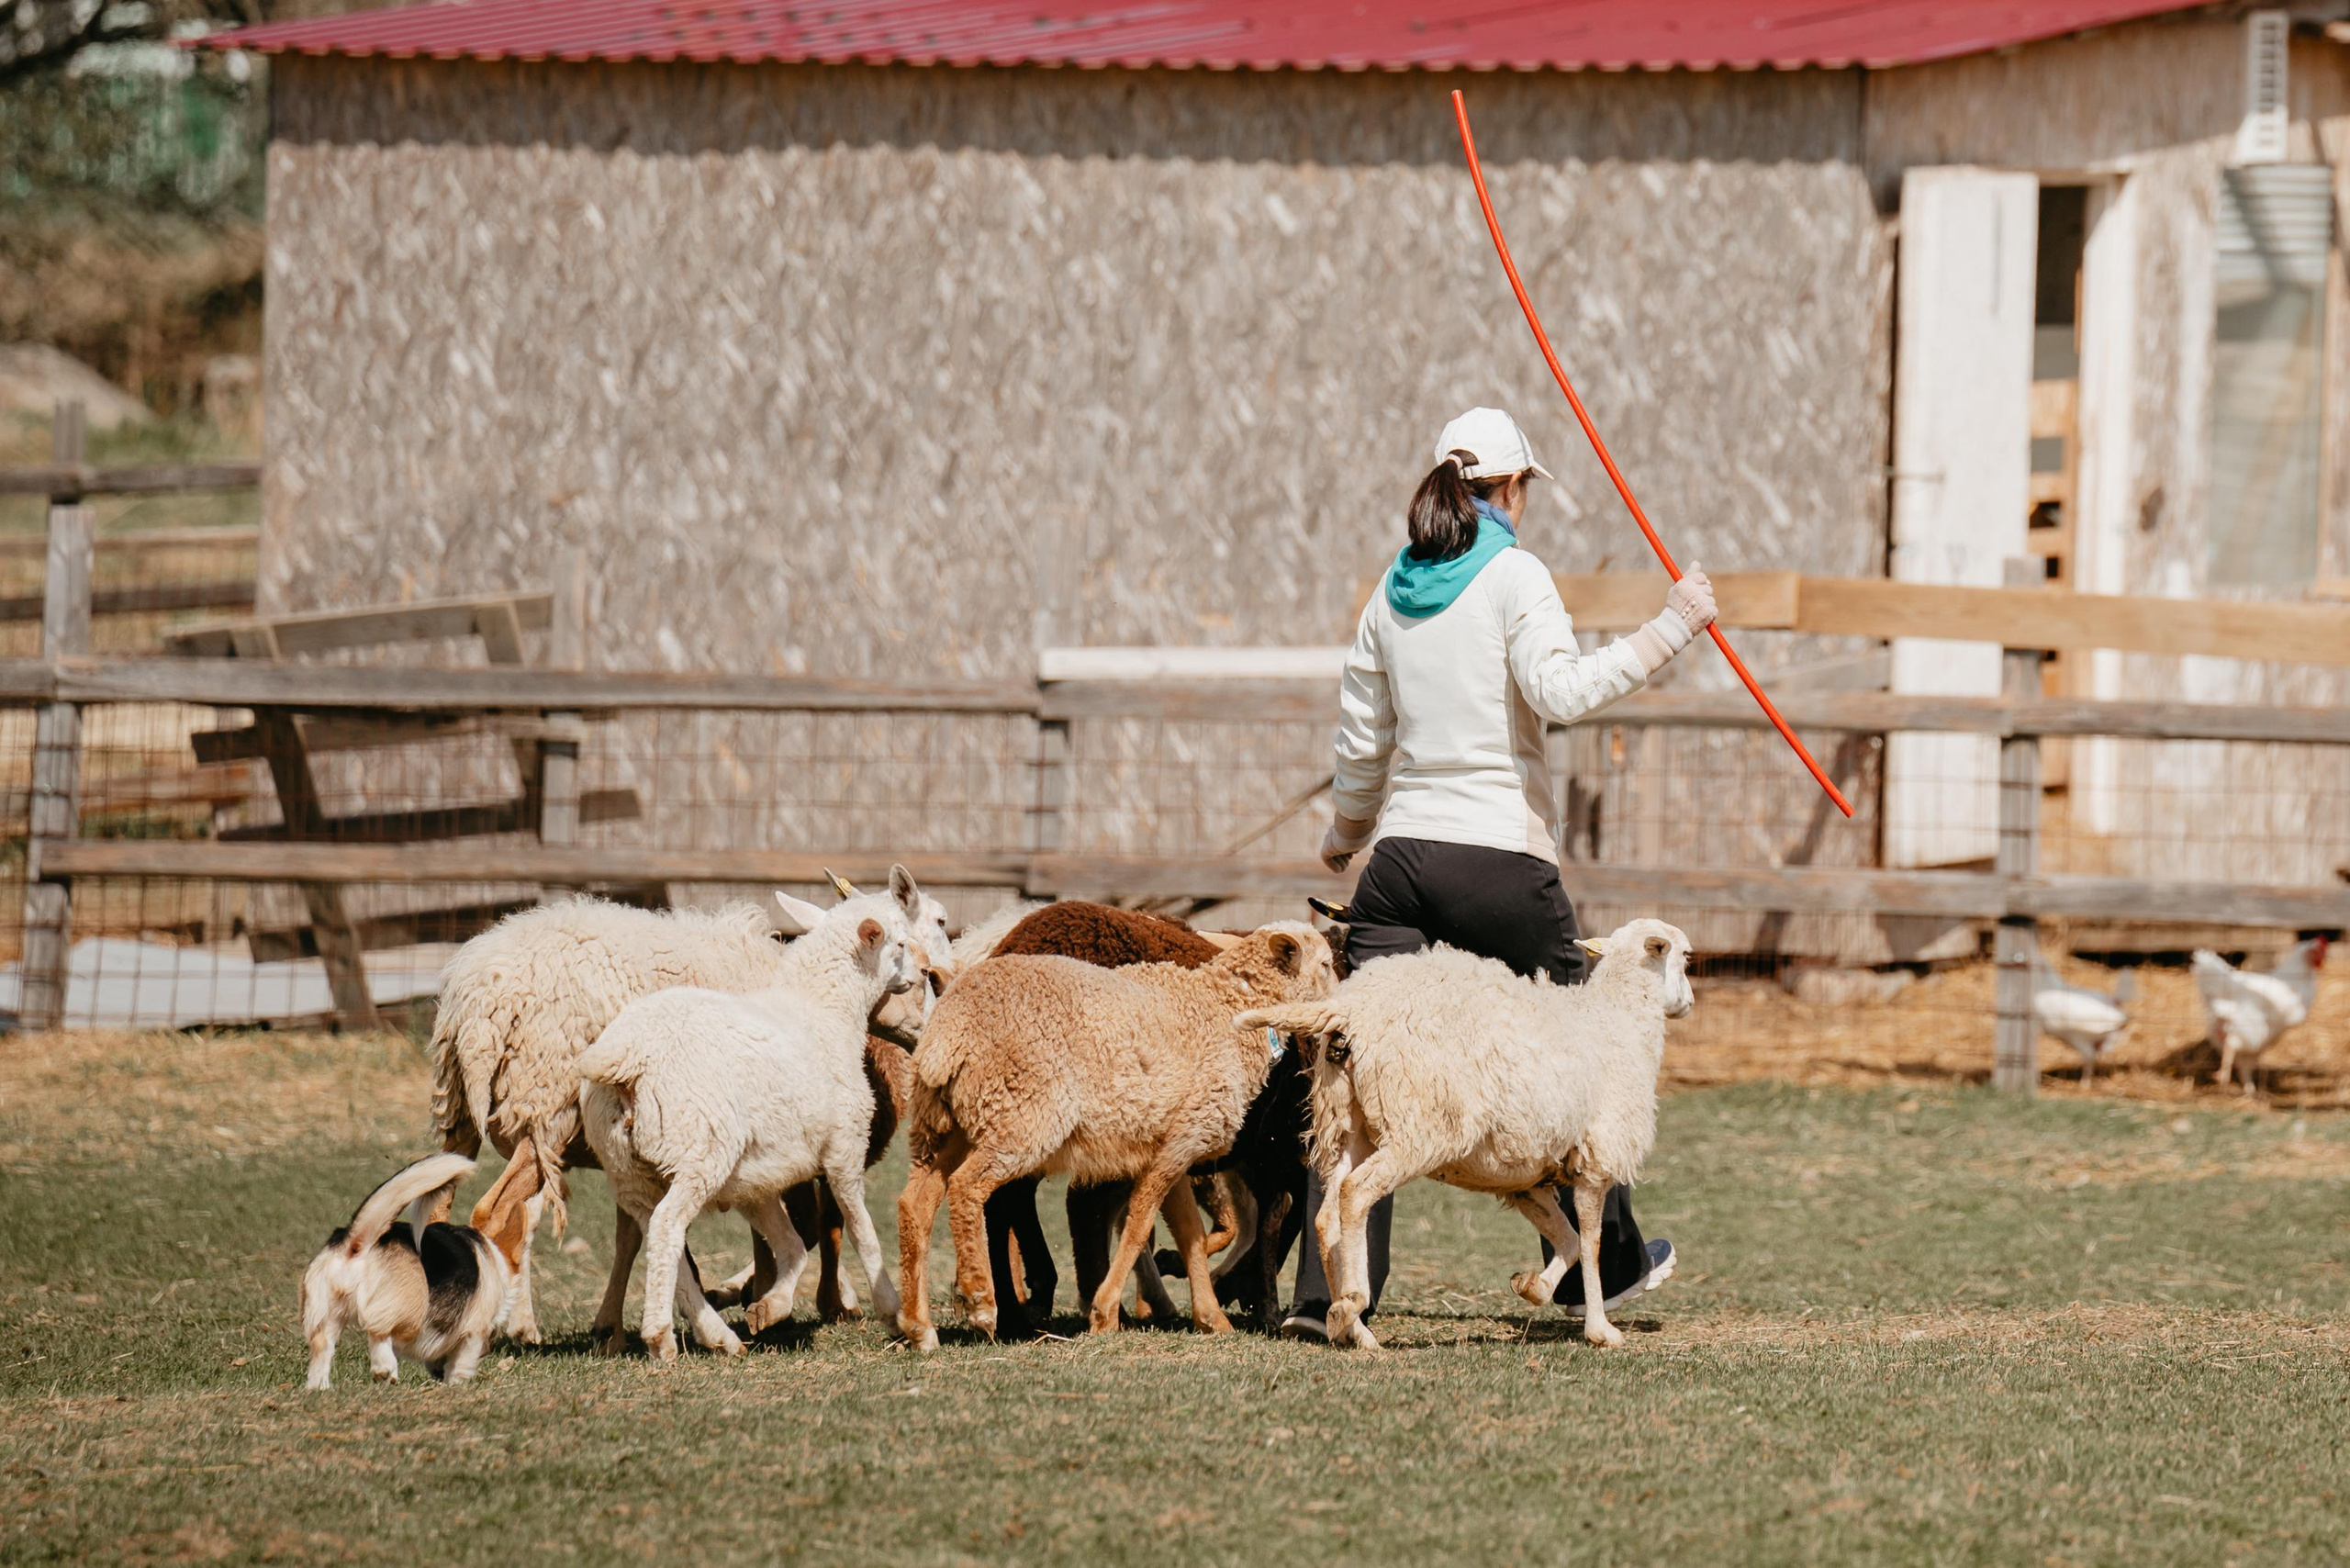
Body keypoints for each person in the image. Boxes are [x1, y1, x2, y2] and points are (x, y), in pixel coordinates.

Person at [1280, 406, 1716, 1342]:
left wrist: (1347, 831)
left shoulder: (1390, 593)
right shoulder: (1517, 575)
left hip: (1398, 864)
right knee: (1591, 1055)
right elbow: (1559, 691)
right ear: (1512, 488)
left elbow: (1362, 737)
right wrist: (1672, 628)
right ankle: (1613, 1266)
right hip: (1503, 861)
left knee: (1360, 1053)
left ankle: (1326, 1299)